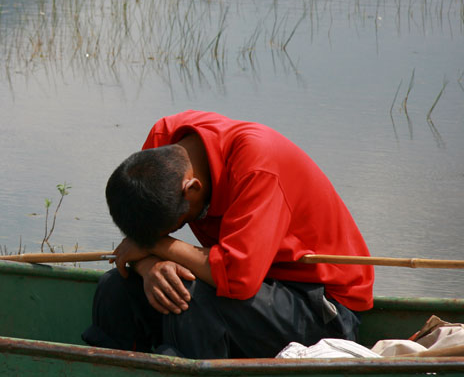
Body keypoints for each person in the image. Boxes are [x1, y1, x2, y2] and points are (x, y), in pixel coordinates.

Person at [82, 111, 373, 359]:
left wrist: (160, 246)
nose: (168, 235)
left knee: (187, 296)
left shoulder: (258, 165)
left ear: (192, 188)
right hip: (244, 284)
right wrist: (150, 267)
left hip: (319, 305)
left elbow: (237, 278)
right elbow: (138, 246)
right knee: (116, 285)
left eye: (175, 226)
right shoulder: (163, 144)